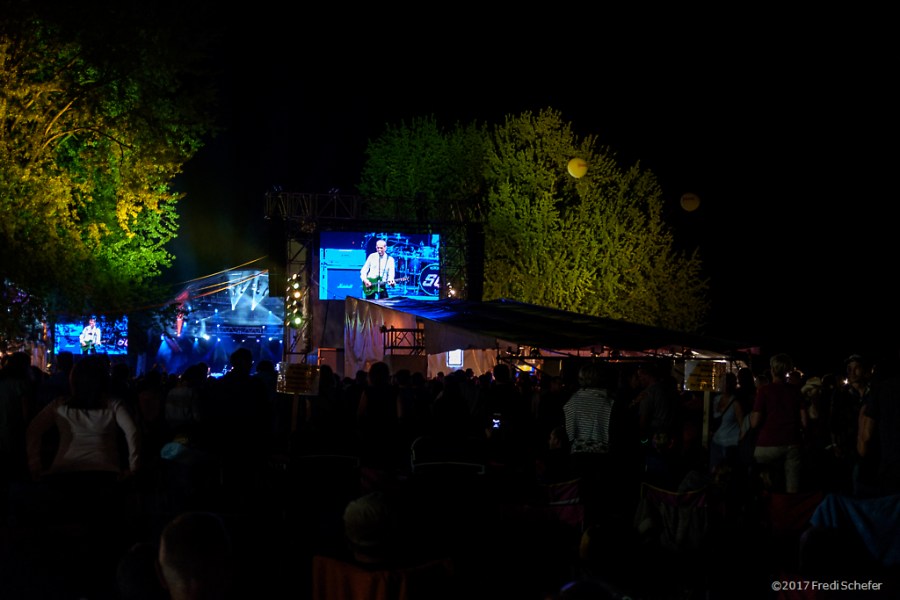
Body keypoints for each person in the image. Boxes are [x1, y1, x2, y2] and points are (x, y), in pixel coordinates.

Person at [750, 353, 807, 493]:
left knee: (763, 485)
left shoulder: (764, 391)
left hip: (767, 444)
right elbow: (804, 422)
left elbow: (755, 423)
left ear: (772, 370)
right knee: (792, 489)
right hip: (792, 442)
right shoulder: (796, 391)